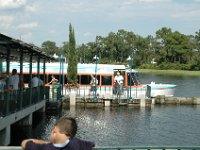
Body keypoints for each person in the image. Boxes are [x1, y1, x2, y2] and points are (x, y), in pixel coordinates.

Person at [21, 116, 95, 150]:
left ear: (55, 131)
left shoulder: (45, 148)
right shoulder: (78, 144)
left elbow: (24, 143)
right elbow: (93, 145)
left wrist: (47, 143)